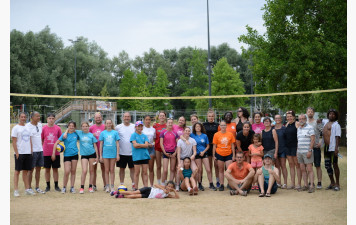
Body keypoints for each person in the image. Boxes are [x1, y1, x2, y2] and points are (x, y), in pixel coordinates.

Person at [12, 112, 35, 196]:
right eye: (21, 117)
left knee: (25, 172)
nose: (23, 118)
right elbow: (14, 141)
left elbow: (30, 140)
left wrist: (31, 151)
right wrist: (17, 152)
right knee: (17, 171)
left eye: (24, 117)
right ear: (19, 118)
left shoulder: (28, 128)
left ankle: (27, 189)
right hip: (20, 153)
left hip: (28, 153)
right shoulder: (15, 128)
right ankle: (16, 190)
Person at [53, 121, 79, 194]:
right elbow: (56, 143)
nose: (71, 127)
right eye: (70, 126)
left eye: (72, 126)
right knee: (67, 171)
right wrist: (53, 153)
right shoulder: (64, 135)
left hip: (75, 154)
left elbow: (84, 133)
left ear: (75, 127)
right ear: (68, 126)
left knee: (73, 171)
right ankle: (64, 187)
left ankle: (72, 187)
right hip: (67, 155)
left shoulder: (76, 134)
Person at [190, 123, 216, 191]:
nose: (198, 128)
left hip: (204, 153)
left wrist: (204, 152)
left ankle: (211, 184)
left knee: (208, 169)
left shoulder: (204, 135)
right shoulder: (192, 135)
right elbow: (184, 136)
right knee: (199, 170)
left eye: (199, 126)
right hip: (197, 154)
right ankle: (200, 184)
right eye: (196, 127)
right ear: (194, 128)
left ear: (201, 128)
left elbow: (208, 146)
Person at [75, 122, 99, 194]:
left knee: (91, 171)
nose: (84, 127)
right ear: (81, 127)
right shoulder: (79, 133)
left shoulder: (91, 135)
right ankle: (82, 187)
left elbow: (95, 146)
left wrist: (97, 156)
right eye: (83, 126)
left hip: (92, 154)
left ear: (88, 127)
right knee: (84, 170)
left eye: (86, 126)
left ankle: (90, 186)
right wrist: (66, 132)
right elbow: (70, 129)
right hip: (84, 155)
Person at [41, 113, 62, 192]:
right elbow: (42, 139)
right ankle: (48, 186)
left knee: (55, 169)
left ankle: (56, 186)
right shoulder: (44, 128)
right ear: (47, 119)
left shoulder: (58, 128)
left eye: (53, 118)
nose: (51, 120)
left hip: (56, 153)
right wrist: (44, 147)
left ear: (54, 119)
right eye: (49, 118)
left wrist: (58, 149)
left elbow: (60, 140)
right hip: (46, 152)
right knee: (47, 169)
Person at [213, 120, 236, 191]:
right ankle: (221, 184)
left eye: (224, 125)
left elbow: (232, 145)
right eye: (221, 125)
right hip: (219, 154)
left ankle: (230, 184)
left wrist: (234, 155)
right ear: (219, 126)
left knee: (229, 170)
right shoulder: (216, 134)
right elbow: (214, 145)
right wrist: (214, 155)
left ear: (226, 126)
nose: (223, 126)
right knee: (221, 170)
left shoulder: (230, 134)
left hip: (228, 154)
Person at [322, 109, 341, 191]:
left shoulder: (337, 125)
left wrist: (336, 148)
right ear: (328, 115)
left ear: (336, 116)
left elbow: (337, 137)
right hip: (326, 147)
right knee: (327, 165)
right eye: (330, 114)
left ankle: (337, 184)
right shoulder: (325, 123)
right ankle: (332, 182)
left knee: (335, 164)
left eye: (333, 114)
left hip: (333, 147)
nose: (331, 115)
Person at [26, 111, 45, 194]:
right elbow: (28, 140)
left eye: (39, 116)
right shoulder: (27, 126)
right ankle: (29, 188)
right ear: (32, 117)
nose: (39, 117)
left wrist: (42, 146)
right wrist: (30, 151)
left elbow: (41, 137)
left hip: (40, 150)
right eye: (37, 116)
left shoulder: (40, 125)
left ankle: (37, 187)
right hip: (32, 151)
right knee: (31, 170)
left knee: (38, 169)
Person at [115, 112, 136, 190]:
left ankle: (134, 184)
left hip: (132, 153)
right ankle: (121, 184)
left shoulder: (134, 126)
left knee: (132, 169)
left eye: (128, 116)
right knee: (122, 169)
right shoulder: (118, 127)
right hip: (121, 152)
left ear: (130, 118)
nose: (126, 118)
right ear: (123, 117)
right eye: (125, 116)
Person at [100, 119, 120, 192]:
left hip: (113, 154)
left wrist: (117, 154)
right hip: (105, 154)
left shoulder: (115, 133)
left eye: (109, 123)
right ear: (105, 124)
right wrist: (100, 155)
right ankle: (107, 186)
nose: (108, 124)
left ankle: (112, 186)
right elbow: (101, 144)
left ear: (111, 124)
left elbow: (117, 144)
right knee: (106, 170)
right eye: (107, 123)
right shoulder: (103, 133)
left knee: (112, 170)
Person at [297, 114, 315, 193]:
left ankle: (311, 186)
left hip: (307, 152)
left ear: (305, 119)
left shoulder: (310, 128)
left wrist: (310, 150)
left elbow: (313, 140)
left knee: (309, 169)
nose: (301, 120)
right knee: (302, 169)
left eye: (303, 118)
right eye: (300, 119)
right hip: (299, 152)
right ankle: (305, 185)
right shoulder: (299, 128)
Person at [176, 127, 198, 191]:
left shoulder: (192, 140)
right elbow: (178, 153)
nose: (187, 132)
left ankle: (195, 185)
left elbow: (194, 151)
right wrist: (179, 163)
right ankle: (177, 185)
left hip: (190, 159)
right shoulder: (180, 141)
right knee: (179, 170)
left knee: (195, 169)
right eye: (186, 131)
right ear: (184, 132)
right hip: (183, 160)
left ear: (190, 132)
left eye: (189, 131)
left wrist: (193, 155)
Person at [306, 107, 323, 189]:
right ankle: (311, 182)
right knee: (309, 166)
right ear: (306, 113)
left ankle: (319, 182)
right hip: (307, 148)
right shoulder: (304, 123)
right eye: (308, 112)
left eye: (311, 112)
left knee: (317, 165)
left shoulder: (317, 122)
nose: (310, 113)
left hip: (316, 147)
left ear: (313, 113)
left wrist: (321, 142)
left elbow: (324, 132)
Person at [203, 110, 220, 188]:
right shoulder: (203, 125)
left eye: (212, 116)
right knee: (209, 166)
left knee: (216, 165)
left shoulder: (217, 125)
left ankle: (218, 181)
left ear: (214, 117)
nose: (211, 117)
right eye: (209, 116)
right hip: (207, 147)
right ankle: (211, 182)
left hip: (216, 146)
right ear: (207, 117)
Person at [89, 112, 106, 191]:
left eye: (99, 117)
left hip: (103, 151)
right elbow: (88, 138)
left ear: (101, 118)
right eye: (96, 117)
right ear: (94, 119)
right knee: (93, 169)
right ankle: (94, 185)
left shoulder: (105, 127)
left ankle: (105, 185)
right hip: (94, 152)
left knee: (104, 169)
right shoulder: (91, 128)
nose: (98, 119)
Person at [284, 110, 301, 190]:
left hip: (295, 147)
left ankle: (299, 183)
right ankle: (292, 183)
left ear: (294, 117)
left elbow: (300, 135)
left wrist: (298, 147)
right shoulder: (287, 124)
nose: (289, 118)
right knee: (291, 165)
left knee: (297, 165)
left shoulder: (297, 124)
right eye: (288, 116)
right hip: (288, 147)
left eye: (290, 116)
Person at [131, 121, 150, 189]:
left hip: (144, 156)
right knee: (137, 172)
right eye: (138, 126)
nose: (140, 127)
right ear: (135, 127)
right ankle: (136, 188)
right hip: (137, 156)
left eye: (141, 126)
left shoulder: (144, 135)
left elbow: (147, 145)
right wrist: (143, 145)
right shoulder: (133, 135)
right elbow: (135, 145)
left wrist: (139, 144)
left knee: (145, 172)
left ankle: (146, 188)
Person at [160, 118, 179, 185]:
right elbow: (161, 143)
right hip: (166, 152)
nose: (170, 124)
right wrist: (164, 152)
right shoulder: (163, 132)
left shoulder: (175, 133)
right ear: (166, 124)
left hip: (173, 153)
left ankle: (170, 184)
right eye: (169, 123)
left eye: (171, 123)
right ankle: (163, 183)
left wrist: (175, 152)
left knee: (172, 169)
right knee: (165, 170)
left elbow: (178, 144)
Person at [273, 114, 288, 189]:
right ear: (274, 119)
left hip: (283, 149)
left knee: (283, 166)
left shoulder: (284, 128)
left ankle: (285, 183)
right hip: (275, 150)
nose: (277, 119)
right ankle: (278, 182)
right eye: (276, 118)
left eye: (279, 118)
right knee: (277, 166)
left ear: (281, 119)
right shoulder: (273, 128)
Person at [153, 111, 167, 185]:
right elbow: (153, 137)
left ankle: (164, 181)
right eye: (160, 116)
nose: (162, 117)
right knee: (158, 165)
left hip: (166, 148)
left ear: (165, 117)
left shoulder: (167, 125)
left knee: (165, 167)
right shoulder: (155, 126)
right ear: (158, 117)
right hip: (158, 147)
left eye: (163, 115)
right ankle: (158, 181)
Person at [142, 115, 156, 187]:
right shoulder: (142, 129)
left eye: (149, 119)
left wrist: (152, 144)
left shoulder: (153, 129)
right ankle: (145, 185)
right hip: (143, 149)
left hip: (151, 149)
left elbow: (154, 139)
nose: (148, 121)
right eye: (146, 119)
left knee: (151, 168)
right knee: (144, 169)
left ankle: (151, 185)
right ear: (144, 120)